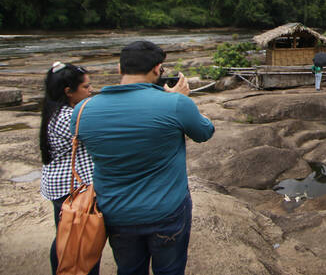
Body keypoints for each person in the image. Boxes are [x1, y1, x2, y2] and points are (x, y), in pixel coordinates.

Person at [72, 40, 214, 275]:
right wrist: (181, 100)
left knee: (128, 270)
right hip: (167, 210)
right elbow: (204, 132)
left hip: (115, 212)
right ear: (158, 69)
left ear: (120, 68)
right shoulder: (177, 104)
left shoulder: (82, 110)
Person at [39, 61, 99, 275]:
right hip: (73, 189)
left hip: (61, 187)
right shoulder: (68, 117)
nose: (91, 90)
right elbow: (102, 131)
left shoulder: (55, 110)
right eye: (86, 87)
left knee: (65, 236)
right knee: (81, 241)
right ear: (68, 91)